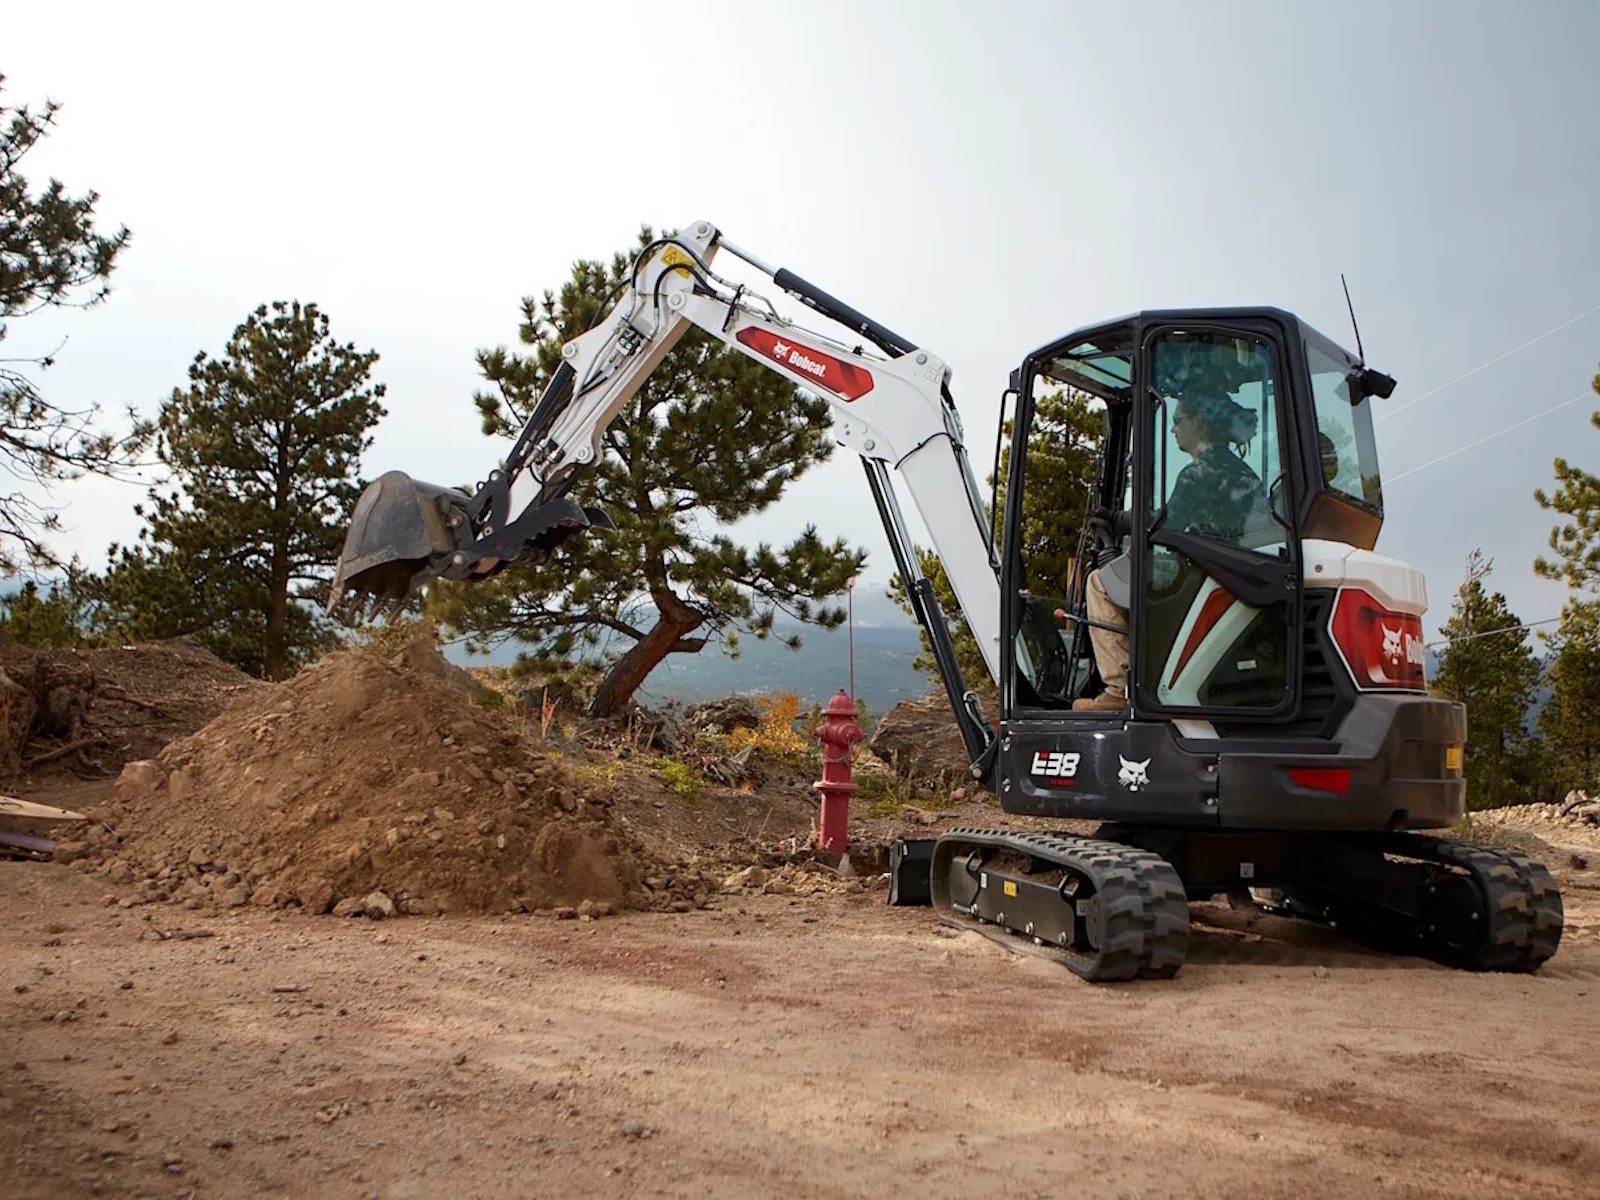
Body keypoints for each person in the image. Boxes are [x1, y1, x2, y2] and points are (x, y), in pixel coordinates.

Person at [1073, 390, 1262, 712]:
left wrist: (1118, 520)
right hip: (1228, 568)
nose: (1173, 428)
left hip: (1203, 573)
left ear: (1198, 421)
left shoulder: (1199, 474)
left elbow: (1165, 525)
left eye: (1177, 420)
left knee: (1100, 583)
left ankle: (1119, 689)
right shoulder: (1241, 471)